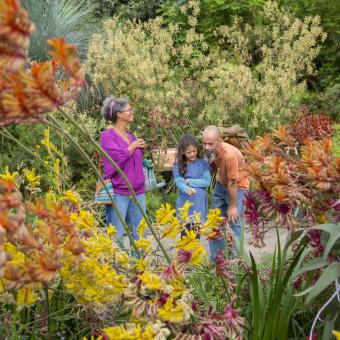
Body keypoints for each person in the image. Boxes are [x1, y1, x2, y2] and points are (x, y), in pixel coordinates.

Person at [100, 97, 146, 243]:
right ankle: (116, 265)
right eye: (129, 110)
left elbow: (132, 161)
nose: (132, 112)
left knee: (140, 235)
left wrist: (141, 149)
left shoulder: (131, 136)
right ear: (119, 114)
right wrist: (132, 147)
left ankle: (139, 265)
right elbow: (116, 160)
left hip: (138, 192)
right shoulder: (107, 136)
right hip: (118, 193)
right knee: (116, 236)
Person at [202, 125, 249, 260]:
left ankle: (237, 261)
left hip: (238, 187)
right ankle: (218, 260)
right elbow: (211, 165)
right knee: (214, 221)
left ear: (220, 142)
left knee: (234, 222)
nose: (206, 147)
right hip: (221, 183)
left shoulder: (230, 156)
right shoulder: (210, 150)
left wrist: (232, 206)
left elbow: (233, 183)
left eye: (210, 144)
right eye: (204, 143)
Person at [173, 134, 211, 227]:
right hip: (185, 202)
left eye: (194, 151)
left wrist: (189, 181)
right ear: (182, 152)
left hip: (199, 203)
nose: (193, 154)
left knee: (197, 230)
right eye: (189, 152)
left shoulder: (203, 163)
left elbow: (207, 181)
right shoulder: (178, 165)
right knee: (185, 231)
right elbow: (179, 182)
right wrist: (186, 189)